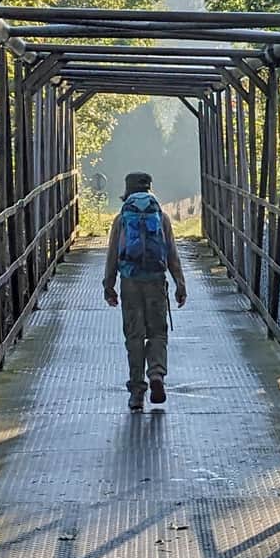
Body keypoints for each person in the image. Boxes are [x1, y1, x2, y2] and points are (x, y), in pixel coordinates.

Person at [102, 171, 187, 411]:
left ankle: (137, 392)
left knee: (134, 336)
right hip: (155, 281)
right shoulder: (161, 216)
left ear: (127, 192)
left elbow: (112, 256)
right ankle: (157, 374)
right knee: (158, 333)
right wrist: (180, 284)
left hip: (130, 282)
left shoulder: (121, 219)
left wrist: (109, 286)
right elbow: (171, 253)